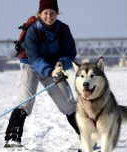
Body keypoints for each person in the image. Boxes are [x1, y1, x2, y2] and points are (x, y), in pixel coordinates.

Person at [4, 0, 79, 147]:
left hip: (54, 67)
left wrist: (61, 64)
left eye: (52, 13)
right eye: (45, 13)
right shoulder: (33, 30)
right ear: (40, 14)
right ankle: (12, 138)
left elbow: (70, 53)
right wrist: (50, 71)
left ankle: (87, 136)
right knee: (24, 100)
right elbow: (34, 57)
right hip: (30, 65)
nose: (49, 16)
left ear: (57, 13)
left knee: (68, 104)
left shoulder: (64, 29)